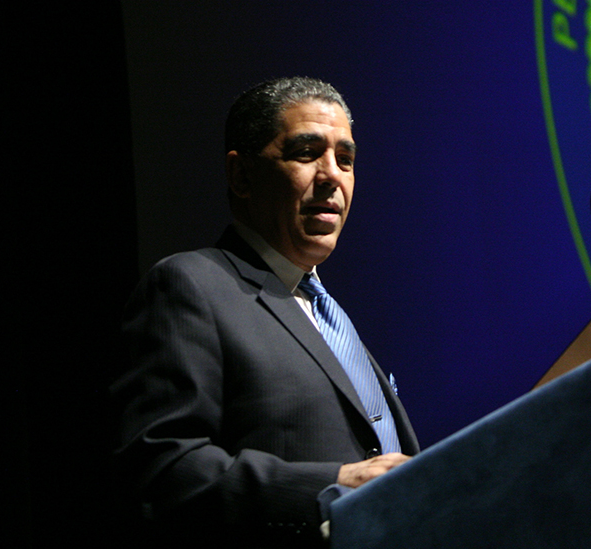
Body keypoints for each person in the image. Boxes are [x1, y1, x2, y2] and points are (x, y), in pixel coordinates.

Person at [111, 77, 418, 546]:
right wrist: (330, 485)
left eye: (346, 159)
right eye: (306, 152)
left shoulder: (328, 314)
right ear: (241, 176)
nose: (332, 174)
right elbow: (164, 468)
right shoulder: (192, 286)